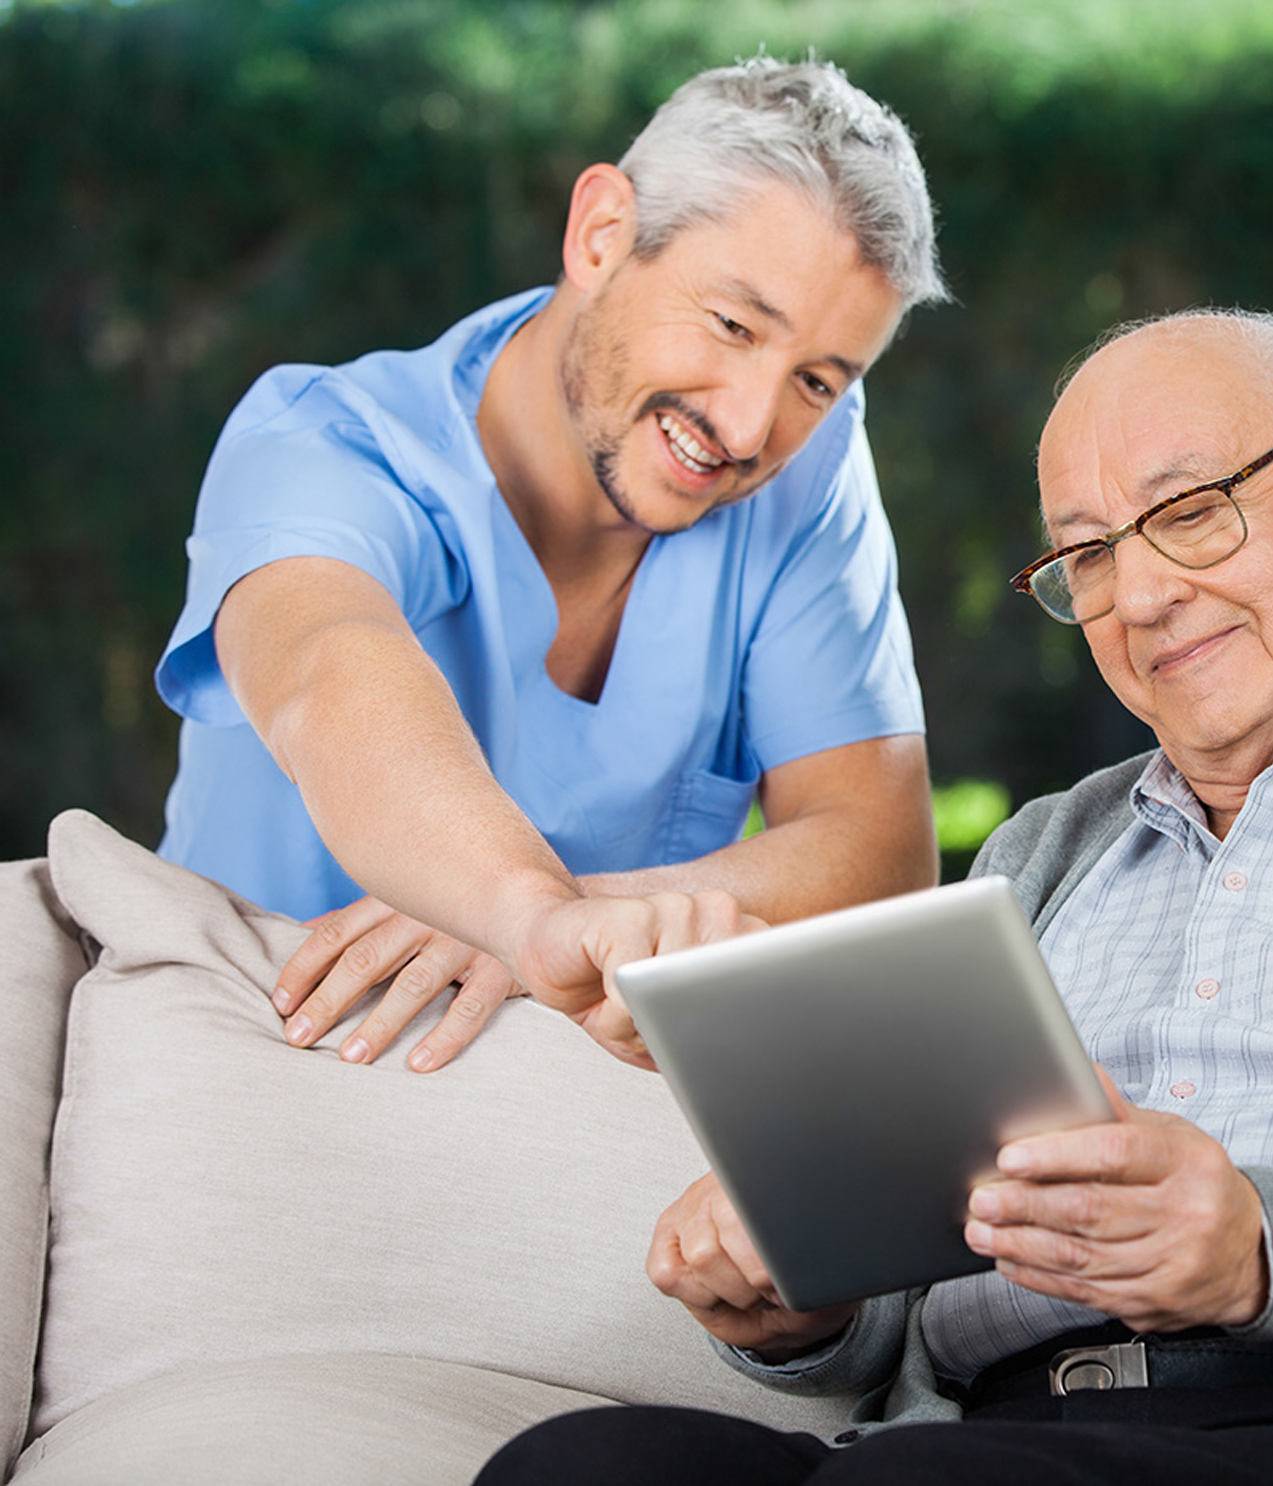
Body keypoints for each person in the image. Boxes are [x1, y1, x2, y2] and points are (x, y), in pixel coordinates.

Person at [475, 309, 1273, 1486]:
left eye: (1194, 508)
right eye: (1089, 556)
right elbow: (918, 1285)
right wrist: (800, 1303)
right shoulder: (1046, 853)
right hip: (1008, 1428)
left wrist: (1264, 1238)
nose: (1144, 593)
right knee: (576, 1465)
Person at [152, 59, 947, 1072]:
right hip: (264, 1054)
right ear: (602, 234)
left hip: (571, 1113)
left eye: (818, 379)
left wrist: (561, 927)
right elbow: (328, 679)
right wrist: (522, 910)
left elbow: (878, 856)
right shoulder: (320, 446)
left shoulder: (811, 468)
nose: (750, 425)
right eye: (733, 325)